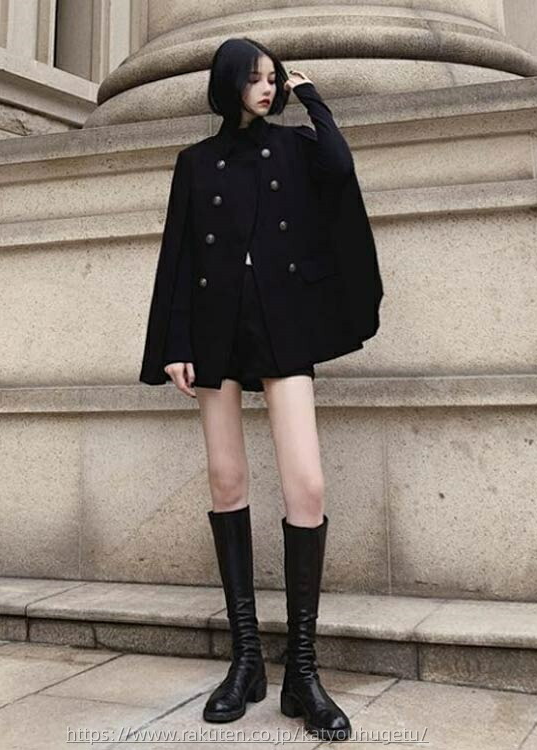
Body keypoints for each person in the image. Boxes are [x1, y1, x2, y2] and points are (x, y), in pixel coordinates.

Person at [139, 37, 383, 743]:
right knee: (226, 480)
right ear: (228, 84)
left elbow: (340, 168)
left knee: (307, 484)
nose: (267, 88)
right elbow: (178, 254)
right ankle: (246, 661)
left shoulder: (295, 147)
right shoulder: (195, 162)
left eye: (272, 78)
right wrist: (174, 344)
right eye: (255, 79)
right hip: (214, 325)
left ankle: (302, 671)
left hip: (283, 322)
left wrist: (312, 96)